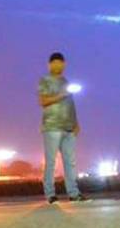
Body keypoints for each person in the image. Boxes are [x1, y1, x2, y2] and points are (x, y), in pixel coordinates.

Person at [37, 52, 89, 204]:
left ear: (64, 64)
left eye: (61, 62)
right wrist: (61, 95)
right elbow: (43, 101)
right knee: (51, 162)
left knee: (70, 162)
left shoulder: (66, 81)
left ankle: (74, 193)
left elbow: (70, 104)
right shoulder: (45, 80)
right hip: (52, 127)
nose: (58, 65)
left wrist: (76, 123)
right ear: (49, 65)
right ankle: (50, 195)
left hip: (68, 128)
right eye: (55, 62)